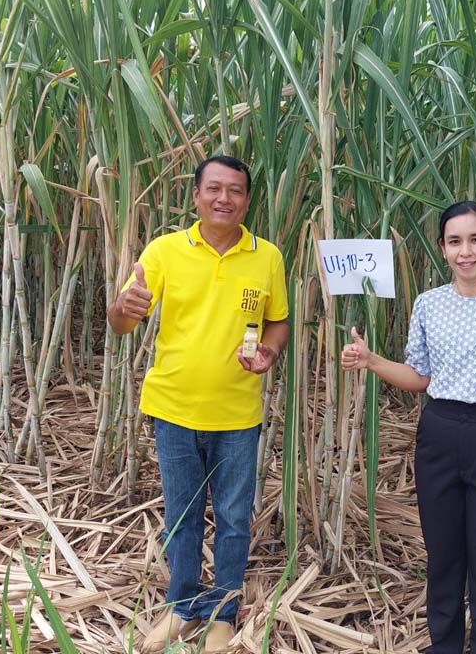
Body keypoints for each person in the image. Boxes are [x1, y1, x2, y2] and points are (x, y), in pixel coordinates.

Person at [341, 201, 476, 654]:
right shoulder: (429, 304)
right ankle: (445, 645)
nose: (465, 251)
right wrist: (372, 361)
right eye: (455, 241)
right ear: (442, 248)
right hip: (438, 434)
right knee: (443, 557)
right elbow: (420, 377)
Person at [108, 156, 289, 653]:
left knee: (233, 518)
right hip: (173, 409)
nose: (224, 198)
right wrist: (123, 308)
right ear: (196, 195)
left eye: (235, 190)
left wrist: (271, 351)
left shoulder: (266, 257)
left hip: (238, 414)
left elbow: (278, 320)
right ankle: (181, 608)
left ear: (247, 201)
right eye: (214, 188)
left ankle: (223, 614)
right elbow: (121, 321)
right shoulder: (164, 251)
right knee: (181, 516)